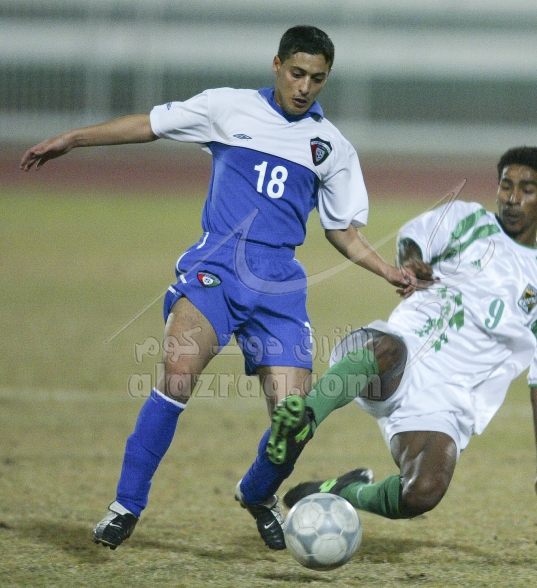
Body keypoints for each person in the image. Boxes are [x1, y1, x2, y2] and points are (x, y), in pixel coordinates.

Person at [20, 26, 428, 551]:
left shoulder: (333, 148)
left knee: (293, 420)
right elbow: (149, 125)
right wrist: (73, 139)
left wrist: (387, 271)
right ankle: (126, 505)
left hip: (279, 285)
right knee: (178, 373)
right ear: (277, 64)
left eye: (317, 78)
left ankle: (257, 494)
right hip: (217, 266)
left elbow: (342, 230)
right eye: (297, 73)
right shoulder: (227, 108)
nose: (304, 87)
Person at [251, 146, 537, 532]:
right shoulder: (468, 220)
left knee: (423, 492)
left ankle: (344, 491)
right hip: (401, 353)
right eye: (506, 186)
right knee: (388, 348)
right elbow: (414, 238)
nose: (512, 198)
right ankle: (304, 420)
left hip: (448, 400)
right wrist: (410, 260)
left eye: (527, 190)